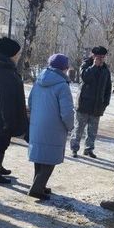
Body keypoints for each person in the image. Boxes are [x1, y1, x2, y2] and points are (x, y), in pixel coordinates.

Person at [27, 54, 75, 200]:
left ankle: (39, 184)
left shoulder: (39, 81)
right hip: (54, 127)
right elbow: (66, 112)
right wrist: (70, 126)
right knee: (50, 159)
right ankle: (36, 188)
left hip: (37, 125)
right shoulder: (62, 86)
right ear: (64, 68)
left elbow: (30, 102)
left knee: (40, 157)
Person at [0, 37, 28, 184]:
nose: (19, 55)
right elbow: (6, 99)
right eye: (17, 53)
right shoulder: (4, 71)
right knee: (2, 142)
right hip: (2, 116)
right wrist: (9, 121)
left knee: (1, 142)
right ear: (10, 54)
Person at [70, 46, 112, 159]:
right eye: (99, 57)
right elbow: (85, 78)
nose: (101, 59)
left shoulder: (105, 70)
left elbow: (108, 88)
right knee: (78, 128)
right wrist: (94, 66)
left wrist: (105, 103)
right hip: (83, 103)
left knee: (92, 131)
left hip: (97, 106)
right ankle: (74, 148)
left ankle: (89, 149)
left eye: (103, 57)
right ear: (93, 56)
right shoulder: (86, 65)